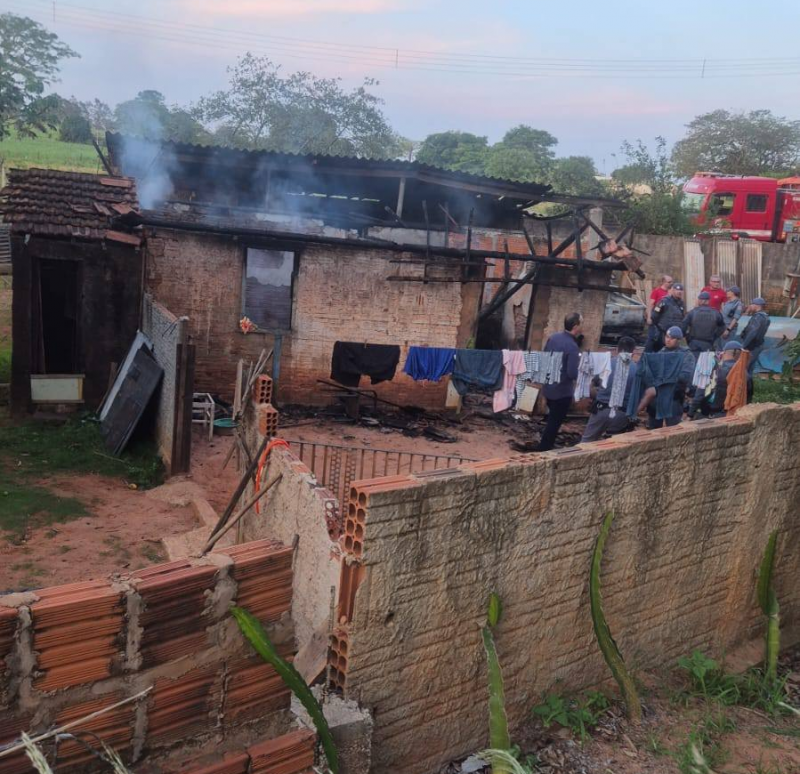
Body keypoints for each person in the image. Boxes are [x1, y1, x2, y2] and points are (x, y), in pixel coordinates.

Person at [536, 312, 582, 452]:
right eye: (581, 324)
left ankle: (546, 445)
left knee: (552, 419)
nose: (582, 327)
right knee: (554, 422)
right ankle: (544, 448)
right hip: (562, 391)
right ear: (575, 326)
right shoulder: (572, 346)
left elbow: (545, 358)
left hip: (549, 387)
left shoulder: (553, 338)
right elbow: (572, 373)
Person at [580, 336, 638, 443]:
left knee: (585, 444)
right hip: (621, 414)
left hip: (600, 410)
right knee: (615, 445)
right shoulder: (637, 370)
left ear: (616, 350)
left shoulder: (605, 364)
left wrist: (598, 396)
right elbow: (647, 392)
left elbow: (589, 385)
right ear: (633, 352)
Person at [637, 326, 695, 429]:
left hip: (673, 398)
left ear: (678, 340)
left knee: (673, 430)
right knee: (654, 431)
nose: (668, 340)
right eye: (667, 336)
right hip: (657, 399)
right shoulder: (661, 353)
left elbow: (684, 376)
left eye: (672, 338)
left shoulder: (686, 355)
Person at [688, 341, 750, 418]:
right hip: (734, 416)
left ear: (724, 353)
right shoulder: (746, 375)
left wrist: (690, 413)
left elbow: (700, 395)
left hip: (711, 416)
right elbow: (748, 398)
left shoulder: (715, 371)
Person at [682, 291, 724, 355]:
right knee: (706, 363)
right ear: (708, 301)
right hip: (708, 343)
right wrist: (714, 336)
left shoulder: (692, 313)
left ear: (700, 301)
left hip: (694, 343)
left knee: (694, 362)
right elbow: (722, 327)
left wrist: (688, 338)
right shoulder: (715, 313)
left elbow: (683, 327)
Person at [649, 282, 685, 352]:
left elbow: (682, 317)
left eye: (680, 290)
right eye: (677, 290)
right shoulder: (664, 301)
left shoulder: (681, 303)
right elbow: (654, 316)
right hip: (664, 334)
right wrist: (660, 327)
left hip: (675, 336)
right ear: (672, 290)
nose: (679, 292)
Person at [740, 297, 771, 375]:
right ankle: (749, 385)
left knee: (745, 369)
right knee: (750, 368)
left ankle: (745, 386)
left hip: (752, 346)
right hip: (758, 345)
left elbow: (753, 332)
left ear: (757, 305)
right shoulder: (765, 316)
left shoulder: (758, 317)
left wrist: (744, 345)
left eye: (752, 304)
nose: (750, 306)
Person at [645, 275, 673, 352]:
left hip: (664, 321)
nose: (671, 283)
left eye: (672, 282)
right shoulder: (656, 291)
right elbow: (651, 304)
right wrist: (649, 317)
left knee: (662, 340)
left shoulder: (671, 293)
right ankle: (647, 356)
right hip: (655, 320)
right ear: (664, 282)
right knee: (651, 338)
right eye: (669, 282)